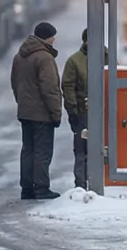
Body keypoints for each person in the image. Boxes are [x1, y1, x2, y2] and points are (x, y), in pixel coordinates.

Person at [11, 21, 63, 200]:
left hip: (25, 112)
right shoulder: (44, 58)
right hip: (42, 114)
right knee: (42, 151)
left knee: (28, 150)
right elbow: (50, 89)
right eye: (52, 36)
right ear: (46, 37)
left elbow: (15, 84)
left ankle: (27, 188)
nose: (54, 39)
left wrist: (22, 104)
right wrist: (56, 113)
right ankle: (41, 188)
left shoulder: (20, 56)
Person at [62, 28, 93, 191]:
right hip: (83, 113)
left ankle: (100, 181)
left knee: (103, 149)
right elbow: (68, 87)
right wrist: (73, 110)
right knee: (82, 150)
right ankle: (81, 184)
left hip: (105, 113)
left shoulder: (108, 57)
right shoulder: (74, 61)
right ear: (84, 40)